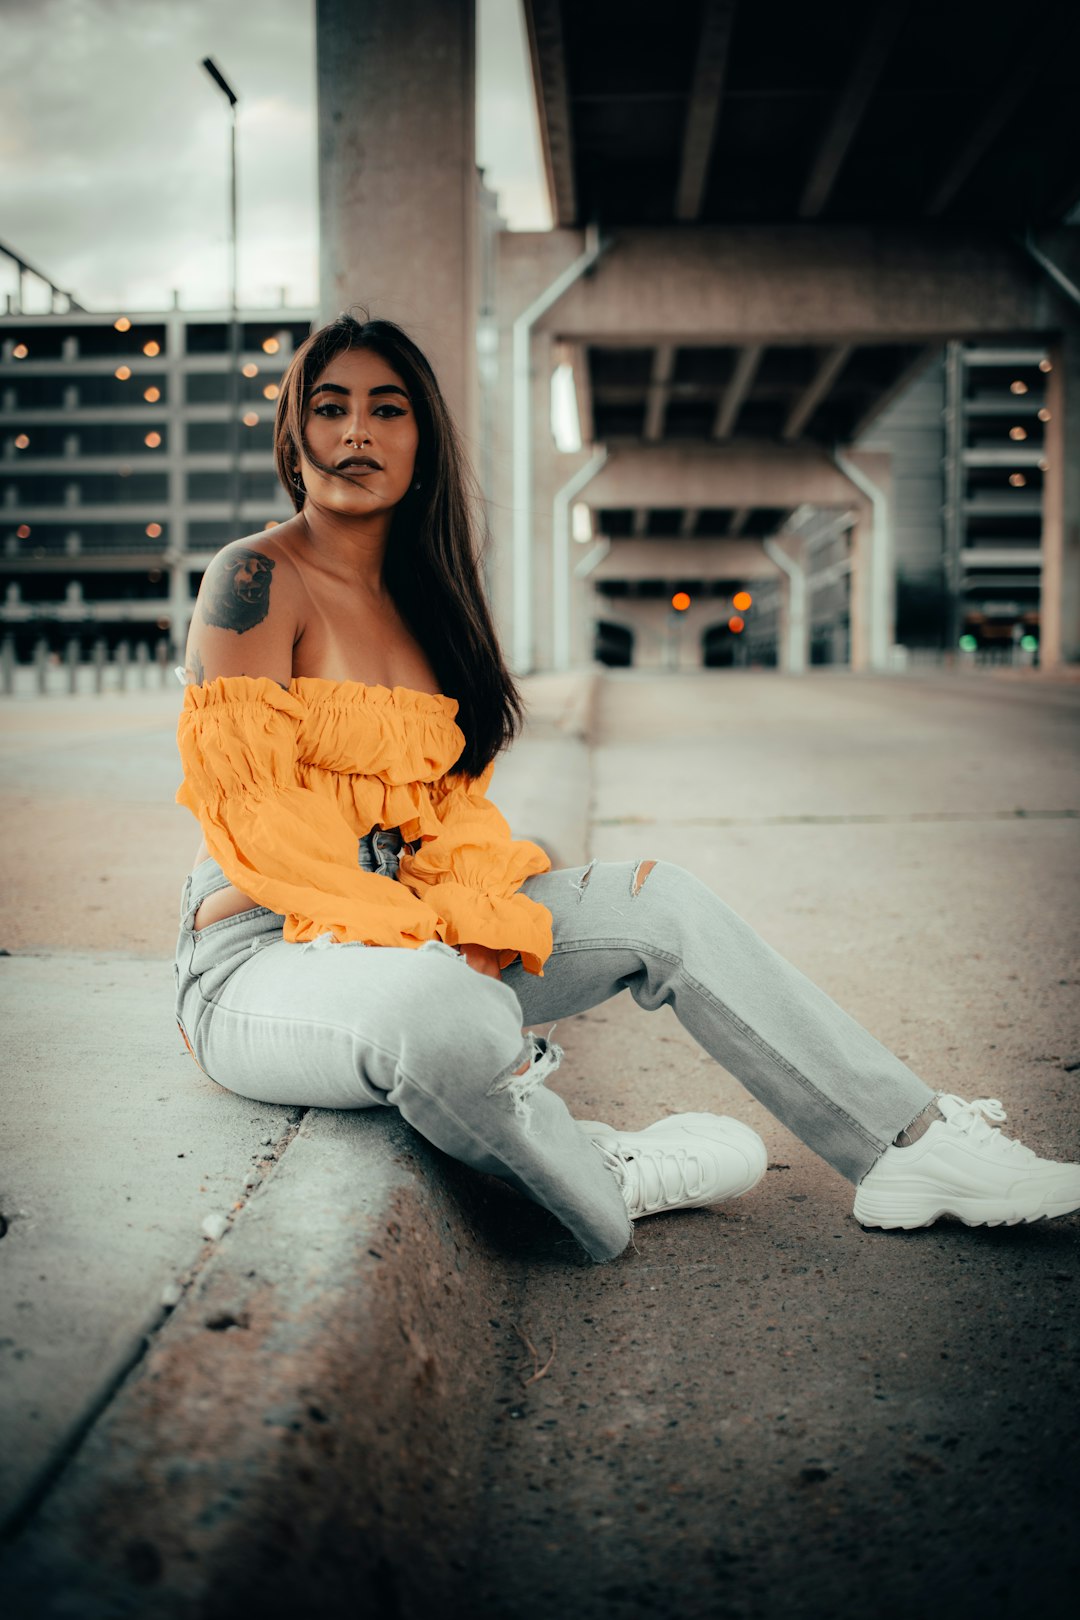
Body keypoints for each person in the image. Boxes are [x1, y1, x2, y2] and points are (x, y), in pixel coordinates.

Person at [172, 313, 1080, 1264]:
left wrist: (479, 921)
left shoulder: (432, 605)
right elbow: (262, 828)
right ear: (295, 433)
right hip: (259, 962)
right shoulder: (254, 579)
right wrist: (441, 944)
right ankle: (600, 1173)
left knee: (663, 905)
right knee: (439, 1013)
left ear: (422, 439)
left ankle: (911, 1145)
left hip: (415, 924)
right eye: (330, 408)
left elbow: (455, 820)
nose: (356, 433)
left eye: (386, 410)